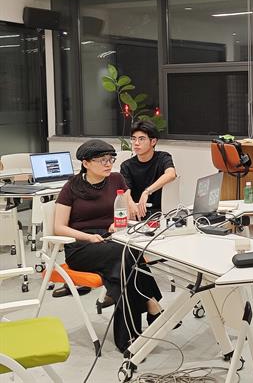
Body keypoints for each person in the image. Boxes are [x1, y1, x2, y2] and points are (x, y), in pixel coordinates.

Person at [54, 139, 173, 353]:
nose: (109, 164)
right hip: (81, 246)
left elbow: (126, 212)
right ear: (86, 163)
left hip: (110, 239)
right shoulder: (71, 187)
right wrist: (88, 237)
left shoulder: (117, 179)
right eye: (102, 160)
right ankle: (151, 305)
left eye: (111, 159)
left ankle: (129, 337)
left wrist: (118, 223)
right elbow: (59, 227)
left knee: (122, 268)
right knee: (125, 255)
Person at [120, 120, 176, 220]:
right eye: (133, 139)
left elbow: (171, 174)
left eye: (141, 139)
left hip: (160, 214)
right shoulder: (126, 165)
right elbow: (125, 190)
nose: (136, 143)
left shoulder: (163, 157)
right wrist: (130, 203)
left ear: (153, 141)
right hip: (137, 214)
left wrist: (147, 192)